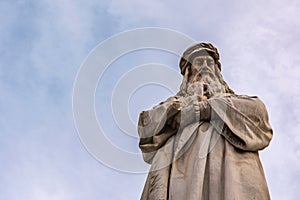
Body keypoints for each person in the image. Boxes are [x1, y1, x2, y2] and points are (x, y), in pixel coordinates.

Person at [138, 43, 273, 200]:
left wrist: (205, 109)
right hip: (181, 168)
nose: (206, 67)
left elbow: (259, 115)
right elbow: (146, 127)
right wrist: (179, 111)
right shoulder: (172, 104)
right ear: (189, 71)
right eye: (200, 63)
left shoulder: (235, 101)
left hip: (229, 165)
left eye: (210, 63)